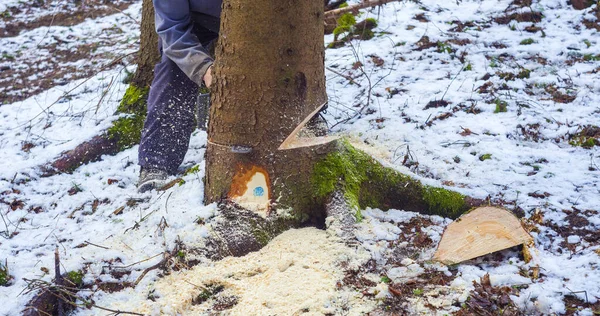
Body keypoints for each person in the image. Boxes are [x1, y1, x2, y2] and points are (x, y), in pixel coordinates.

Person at [137, 0, 222, 193]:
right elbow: (172, 30)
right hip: (199, 21)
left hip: (266, 19)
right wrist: (203, 68)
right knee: (173, 68)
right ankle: (157, 163)